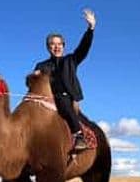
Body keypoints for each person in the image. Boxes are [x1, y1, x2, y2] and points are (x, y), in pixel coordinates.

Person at [34, 8, 96, 151]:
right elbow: (31, 83)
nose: (56, 47)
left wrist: (90, 29)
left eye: (59, 44)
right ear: (48, 48)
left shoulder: (71, 60)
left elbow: (83, 48)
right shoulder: (41, 65)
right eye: (52, 44)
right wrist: (34, 76)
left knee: (62, 99)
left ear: (63, 46)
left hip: (67, 98)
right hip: (45, 99)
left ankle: (79, 136)